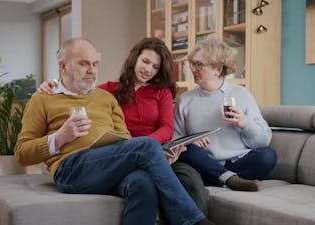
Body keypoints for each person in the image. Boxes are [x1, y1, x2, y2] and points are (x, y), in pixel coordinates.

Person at [15, 38, 215, 225]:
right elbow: (22, 153)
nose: (92, 70)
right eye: (84, 64)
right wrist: (59, 138)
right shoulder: (42, 99)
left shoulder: (106, 98)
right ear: (62, 66)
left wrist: (156, 158)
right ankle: (194, 221)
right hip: (71, 169)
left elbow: (125, 141)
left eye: (95, 64)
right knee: (146, 145)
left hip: (108, 167)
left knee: (143, 183)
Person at [174, 39, 277, 192]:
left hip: (237, 161)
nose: (193, 69)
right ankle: (230, 180)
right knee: (186, 151)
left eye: (199, 65)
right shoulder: (185, 100)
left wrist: (245, 123)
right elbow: (175, 141)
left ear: (218, 69)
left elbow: (263, 142)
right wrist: (192, 141)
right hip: (204, 161)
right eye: (192, 64)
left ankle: (220, 178)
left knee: (268, 155)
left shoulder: (241, 94)